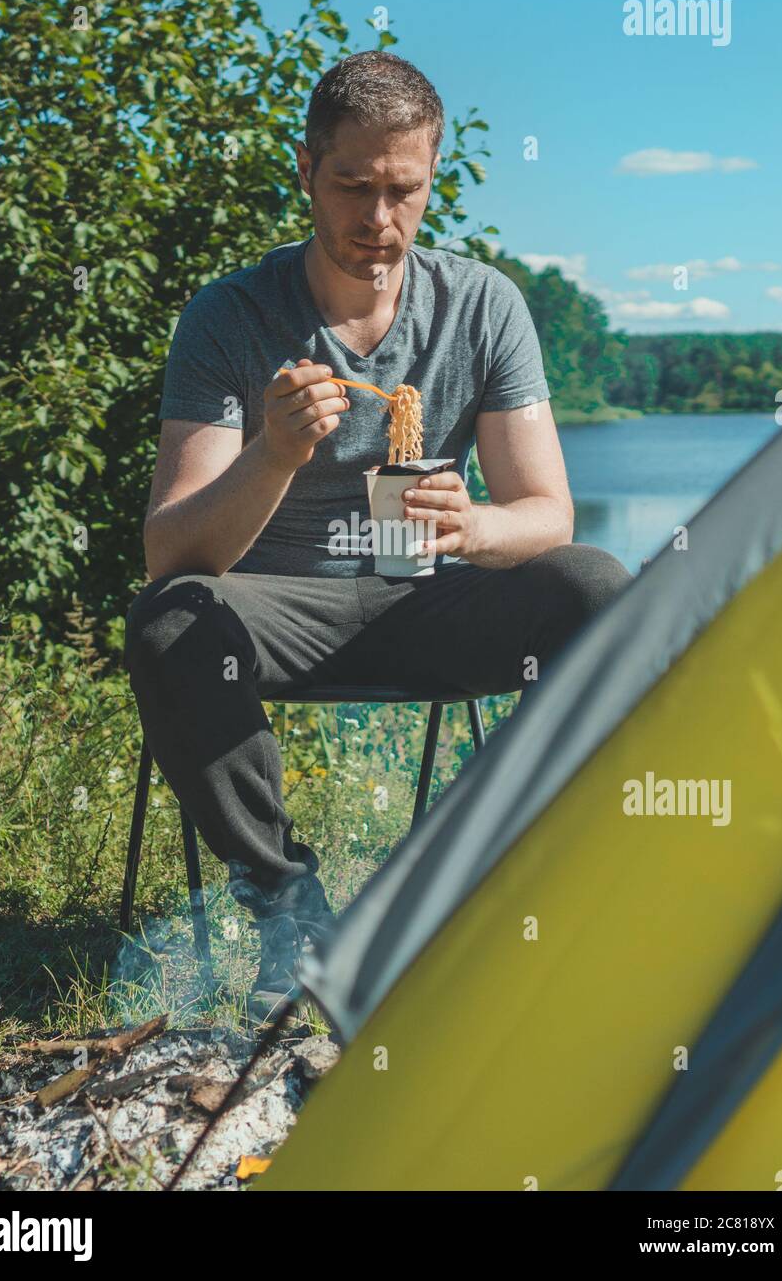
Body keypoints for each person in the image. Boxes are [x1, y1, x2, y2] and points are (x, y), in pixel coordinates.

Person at [124, 51, 630, 1022]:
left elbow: (547, 513)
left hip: (424, 591)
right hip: (275, 606)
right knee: (169, 621)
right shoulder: (230, 315)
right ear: (305, 169)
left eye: (405, 191)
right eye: (353, 186)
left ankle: (495, 890)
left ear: (432, 175)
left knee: (596, 584)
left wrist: (477, 524)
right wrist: (273, 453)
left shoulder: (481, 305)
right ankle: (289, 904)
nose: (379, 222)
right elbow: (172, 553)